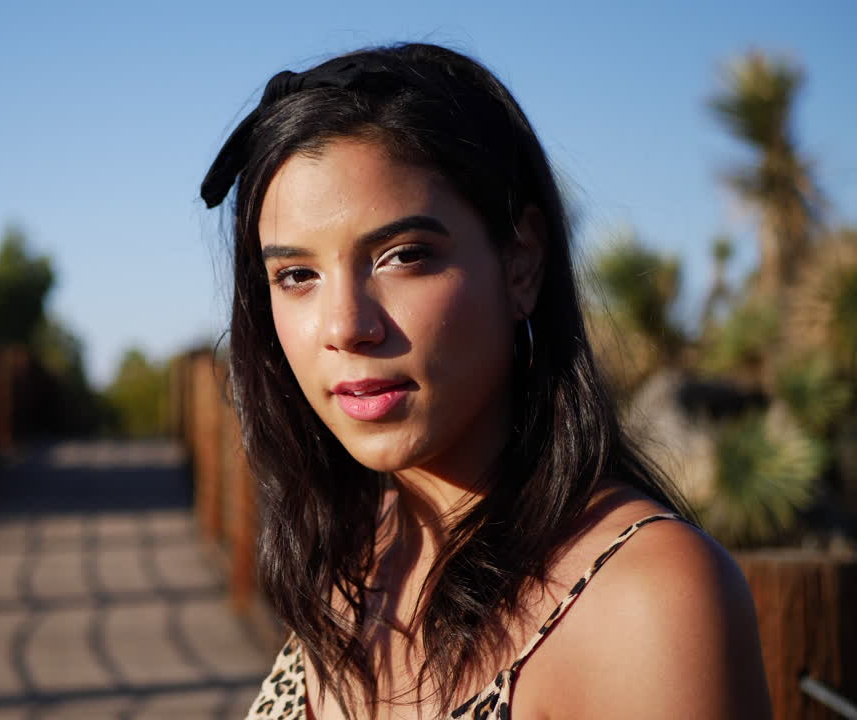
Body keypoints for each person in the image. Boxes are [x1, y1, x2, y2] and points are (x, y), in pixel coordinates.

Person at [200, 43, 771, 720]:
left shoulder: (647, 599)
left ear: (522, 263)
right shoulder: (352, 554)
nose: (346, 325)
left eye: (404, 256)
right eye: (297, 276)